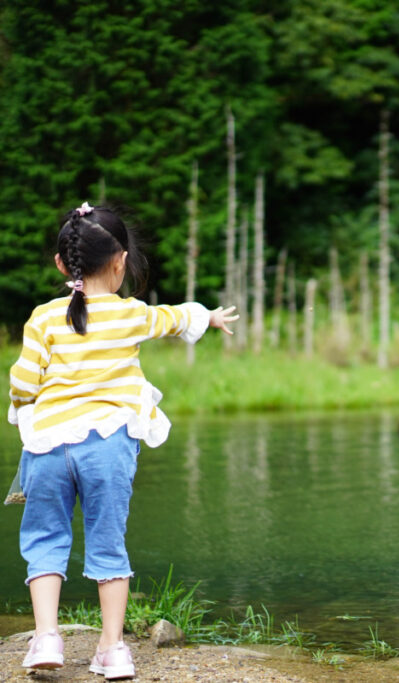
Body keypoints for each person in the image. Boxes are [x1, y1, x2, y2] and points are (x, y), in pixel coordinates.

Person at [8, 202, 237, 679]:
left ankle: (45, 638)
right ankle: (112, 650)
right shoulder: (130, 314)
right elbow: (172, 319)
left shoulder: (43, 319)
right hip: (107, 446)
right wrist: (208, 317)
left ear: (61, 264)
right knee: (108, 542)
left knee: (46, 538)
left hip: (49, 446)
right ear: (121, 262)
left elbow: (22, 385)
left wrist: (32, 402)